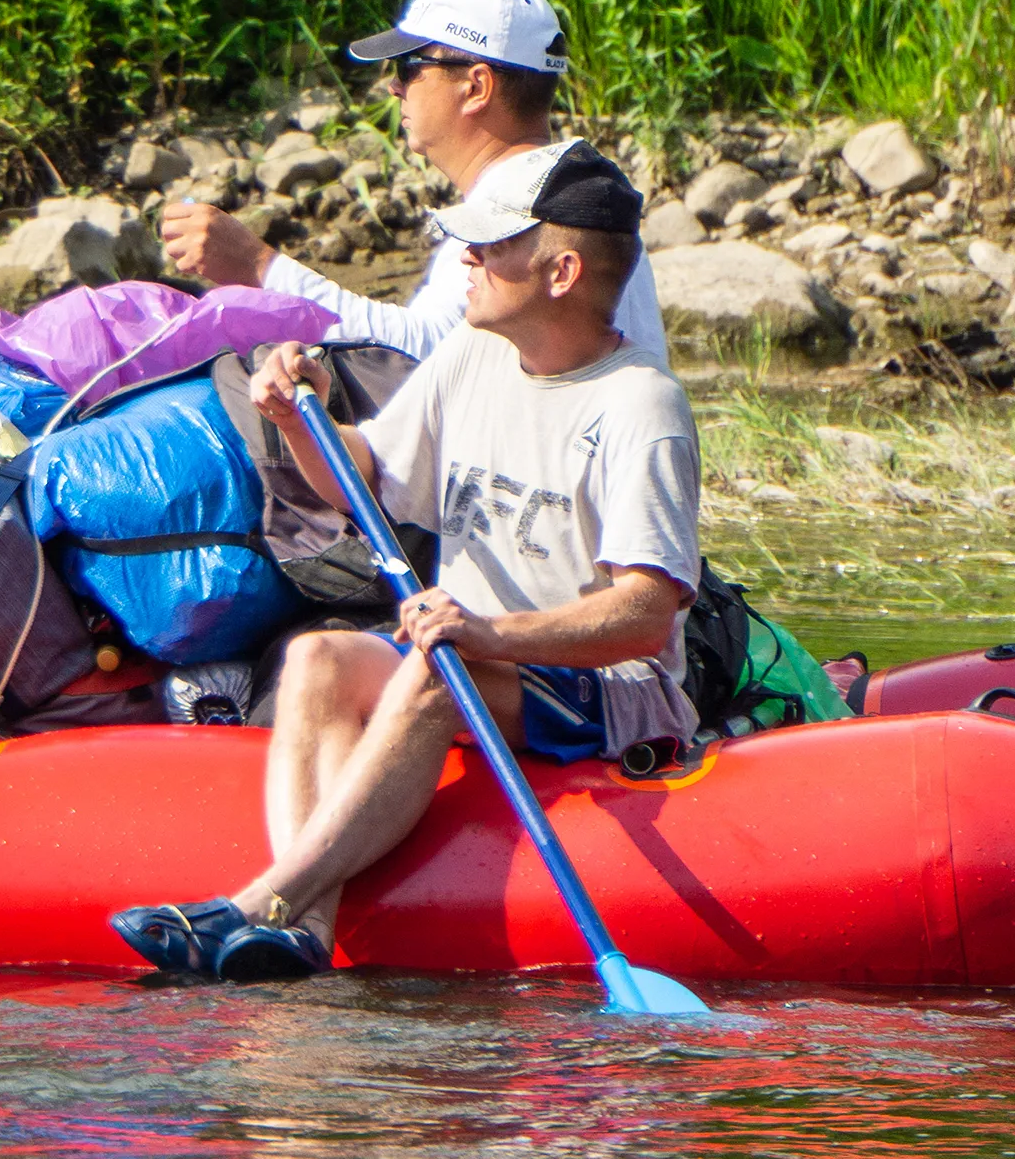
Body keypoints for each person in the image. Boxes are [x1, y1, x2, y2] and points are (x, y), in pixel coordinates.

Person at [111, 144, 700, 982]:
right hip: (468, 654)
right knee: (317, 656)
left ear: (561, 271)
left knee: (434, 667)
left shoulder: (641, 403)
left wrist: (492, 634)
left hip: (613, 690)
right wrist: (298, 419)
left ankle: (257, 904)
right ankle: (303, 933)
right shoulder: (473, 352)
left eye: (493, 246)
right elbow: (364, 482)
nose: (469, 259)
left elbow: (644, 613)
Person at [162, 0, 669, 362]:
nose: (393, 86)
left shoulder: (523, 210)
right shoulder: (569, 196)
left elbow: (416, 355)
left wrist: (258, 267)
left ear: (475, 87)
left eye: (409, 67)